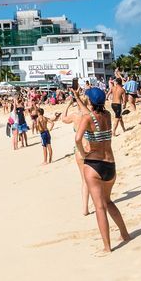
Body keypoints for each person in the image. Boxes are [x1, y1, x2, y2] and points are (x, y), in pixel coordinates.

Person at [73, 88, 132, 253]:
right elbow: (92, 115)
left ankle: (107, 247)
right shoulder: (107, 115)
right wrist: (77, 97)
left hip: (94, 164)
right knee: (108, 201)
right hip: (110, 164)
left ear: (90, 102)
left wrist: (83, 152)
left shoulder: (87, 119)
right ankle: (125, 234)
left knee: (99, 207)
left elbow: (78, 138)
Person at [61, 86, 94, 216]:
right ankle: (99, 201)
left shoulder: (75, 116)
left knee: (84, 180)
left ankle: (85, 208)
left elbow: (63, 118)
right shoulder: (90, 115)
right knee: (96, 178)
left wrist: (68, 104)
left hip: (79, 150)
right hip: (91, 147)